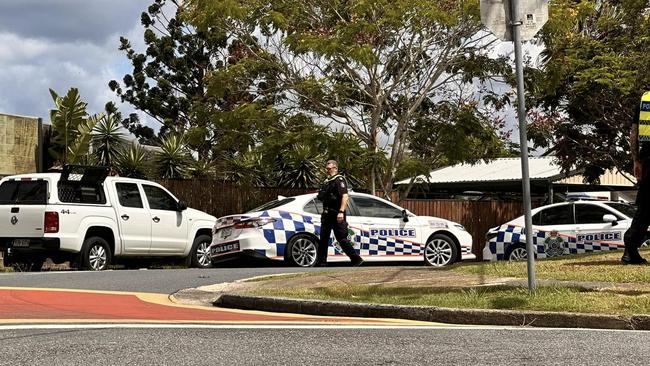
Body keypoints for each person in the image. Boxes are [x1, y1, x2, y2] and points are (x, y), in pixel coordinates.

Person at [316, 160, 363, 267]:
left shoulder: (339, 180)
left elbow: (345, 196)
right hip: (326, 214)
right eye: (327, 168)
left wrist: (341, 211)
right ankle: (321, 262)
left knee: (341, 238)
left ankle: (356, 259)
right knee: (323, 238)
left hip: (337, 213)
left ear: (335, 168)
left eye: (330, 168)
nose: (328, 170)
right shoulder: (326, 181)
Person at [623, 92, 650, 264]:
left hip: (648, 157)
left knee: (646, 206)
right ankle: (630, 249)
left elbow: (634, 133)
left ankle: (630, 249)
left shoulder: (645, 99)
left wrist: (636, 160)